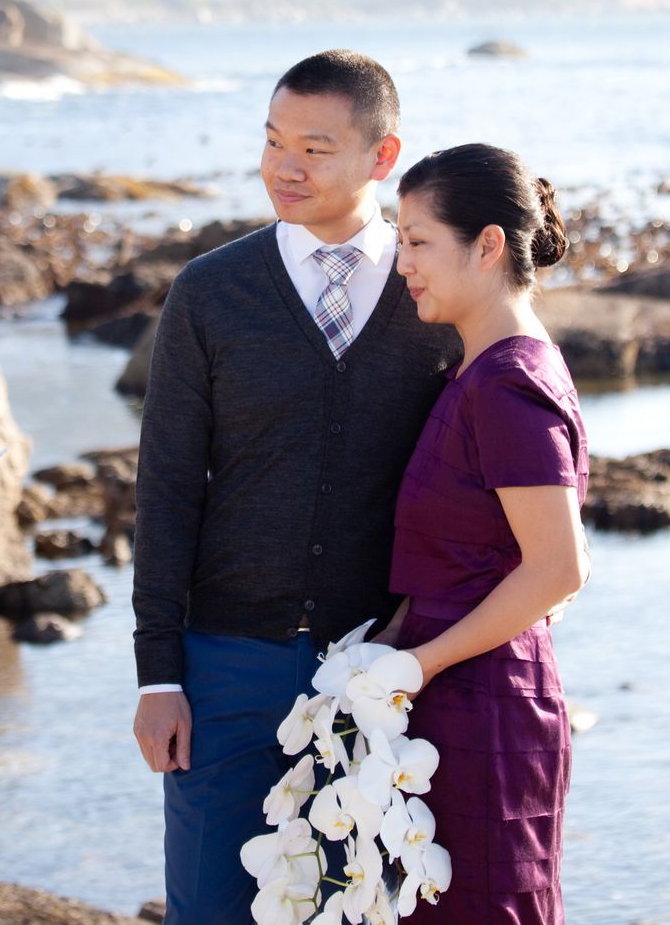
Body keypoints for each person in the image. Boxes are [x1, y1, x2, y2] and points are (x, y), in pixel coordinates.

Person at [131, 50, 460, 924]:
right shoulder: (209, 292)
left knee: (364, 907)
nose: (285, 166)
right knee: (208, 907)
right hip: (224, 664)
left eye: (315, 148)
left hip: (378, 669)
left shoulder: (434, 298)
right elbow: (165, 487)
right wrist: (155, 673)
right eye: (273, 141)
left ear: (381, 158)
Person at [378, 143, 591, 924]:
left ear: (489, 244)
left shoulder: (505, 382)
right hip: (453, 698)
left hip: (486, 711)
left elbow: (559, 568)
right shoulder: (484, 369)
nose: (403, 265)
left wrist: (417, 663)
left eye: (418, 241)